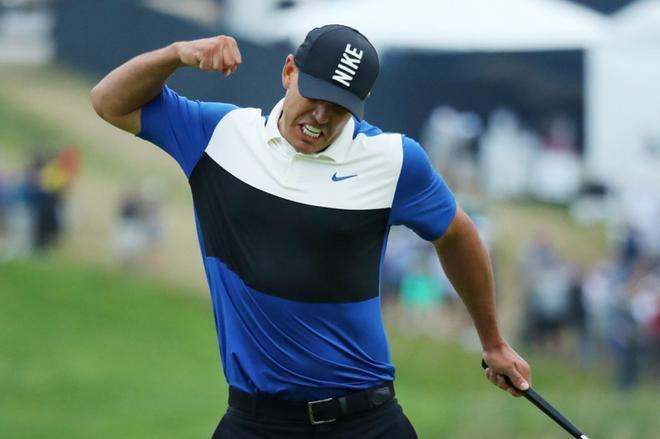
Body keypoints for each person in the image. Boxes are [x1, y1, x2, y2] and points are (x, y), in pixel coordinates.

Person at [91, 25, 531, 438]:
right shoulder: (218, 134)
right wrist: (176, 55)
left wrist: (491, 341)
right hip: (254, 421)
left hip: (365, 421)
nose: (320, 116)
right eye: (315, 95)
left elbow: (456, 233)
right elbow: (110, 101)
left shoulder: (394, 161)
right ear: (288, 72)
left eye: (339, 107)